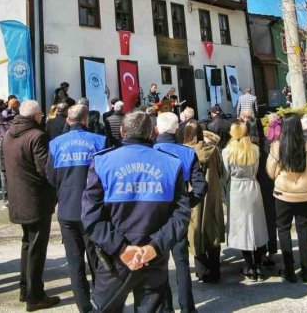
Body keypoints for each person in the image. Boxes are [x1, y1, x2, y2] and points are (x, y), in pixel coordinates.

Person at [82, 111, 190, 313]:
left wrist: (122, 248)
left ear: (122, 132)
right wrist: (154, 247)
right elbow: (181, 215)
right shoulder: (171, 163)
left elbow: (90, 216)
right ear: (152, 133)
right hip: (149, 254)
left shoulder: (103, 162)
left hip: (115, 256)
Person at [46, 104, 106, 312]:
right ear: (86, 120)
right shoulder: (99, 141)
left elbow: (50, 177)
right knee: (98, 260)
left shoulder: (56, 144)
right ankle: (102, 302)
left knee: (75, 262)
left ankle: (84, 307)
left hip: (67, 209)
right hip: (93, 209)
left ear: (68, 121)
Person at [2, 100, 60, 311]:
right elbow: (45, 169)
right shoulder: (37, 136)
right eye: (41, 115)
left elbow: (3, 163)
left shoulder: (8, 134)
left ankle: (25, 288)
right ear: (36, 116)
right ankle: (35, 296)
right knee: (36, 247)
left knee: (27, 244)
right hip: (35, 200)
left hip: (18, 198)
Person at [154, 112, 207, 313]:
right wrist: (187, 203)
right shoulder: (187, 153)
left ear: (157, 129)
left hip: (155, 214)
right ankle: (187, 307)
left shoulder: (151, 151)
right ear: (177, 129)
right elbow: (201, 187)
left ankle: (166, 307)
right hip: (179, 213)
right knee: (182, 262)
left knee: (159, 265)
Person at [265, 115, 307, 283]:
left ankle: (289, 269)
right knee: (304, 229)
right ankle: (306, 269)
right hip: (306, 192)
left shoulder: (277, 146)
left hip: (283, 193)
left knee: (283, 229)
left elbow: (270, 171)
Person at [222, 121, 268, 282]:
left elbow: (225, 174)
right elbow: (256, 170)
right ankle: (258, 264)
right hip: (252, 186)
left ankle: (248, 265)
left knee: (241, 227)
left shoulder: (227, 151)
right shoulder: (254, 149)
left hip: (236, 189)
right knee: (255, 225)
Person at [182, 119, 225, 284]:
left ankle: (201, 271)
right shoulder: (213, 150)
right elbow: (220, 170)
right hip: (212, 194)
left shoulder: (185, 151)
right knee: (212, 230)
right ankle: (215, 271)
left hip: (194, 196)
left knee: (195, 231)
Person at [257, 115, 280, 266]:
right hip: (268, 184)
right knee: (270, 220)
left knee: (257, 221)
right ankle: (271, 251)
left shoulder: (248, 147)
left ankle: (260, 252)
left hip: (255, 186)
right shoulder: (268, 145)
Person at [0, 97, 19, 206]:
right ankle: (16, 197)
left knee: (3, 172)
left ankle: (6, 198)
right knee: (17, 171)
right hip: (15, 146)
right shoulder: (18, 118)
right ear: (16, 106)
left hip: (2, 146)